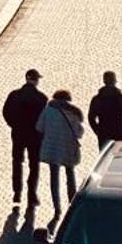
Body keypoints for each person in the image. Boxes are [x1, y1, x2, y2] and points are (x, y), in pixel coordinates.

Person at [2, 69, 47, 208]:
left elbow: (6, 113)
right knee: (34, 165)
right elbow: (44, 119)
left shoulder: (14, 95)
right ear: (34, 80)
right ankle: (32, 194)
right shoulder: (41, 98)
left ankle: (17, 191)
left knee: (17, 162)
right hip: (34, 136)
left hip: (18, 134)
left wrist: (14, 125)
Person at [37, 88, 85, 217]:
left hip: (53, 149)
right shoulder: (73, 112)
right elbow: (79, 133)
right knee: (70, 175)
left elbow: (39, 127)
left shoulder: (48, 110)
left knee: (54, 178)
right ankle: (72, 202)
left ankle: (57, 207)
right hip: (68, 148)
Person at [88, 70, 122, 148]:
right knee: (119, 158)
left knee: (106, 157)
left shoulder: (97, 99)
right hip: (120, 133)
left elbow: (91, 117)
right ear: (115, 81)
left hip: (104, 133)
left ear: (104, 81)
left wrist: (98, 131)